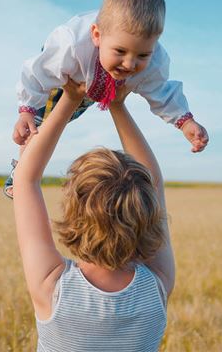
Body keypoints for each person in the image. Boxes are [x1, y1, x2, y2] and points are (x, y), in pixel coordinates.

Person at [4, 0, 209, 198]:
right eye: (120, 51)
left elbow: (161, 92)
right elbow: (37, 73)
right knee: (39, 125)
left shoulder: (155, 61)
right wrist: (26, 109)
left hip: (95, 89)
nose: (130, 64)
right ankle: (21, 173)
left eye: (142, 55)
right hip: (65, 79)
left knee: (60, 118)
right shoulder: (70, 45)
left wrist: (185, 122)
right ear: (96, 35)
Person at [12, 78, 175, 351]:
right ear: (149, 217)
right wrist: (117, 105)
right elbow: (154, 182)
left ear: (75, 216)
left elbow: (24, 180)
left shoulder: (53, 287)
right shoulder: (157, 286)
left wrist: (70, 98)